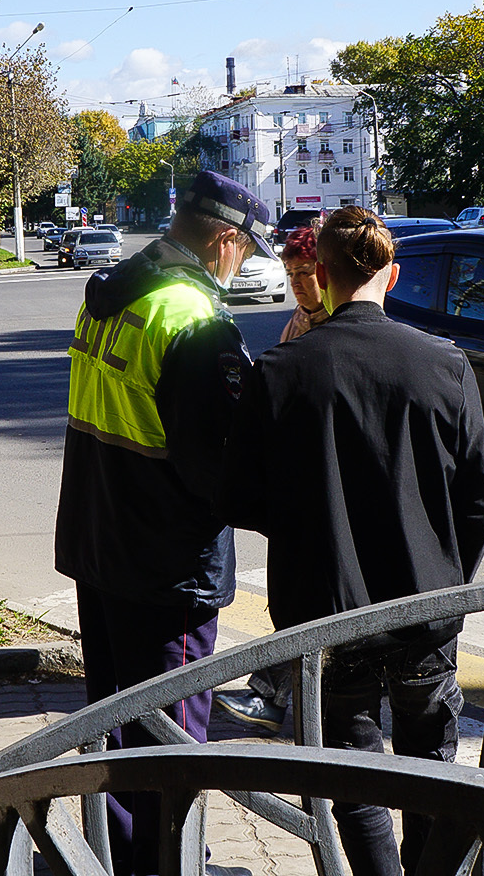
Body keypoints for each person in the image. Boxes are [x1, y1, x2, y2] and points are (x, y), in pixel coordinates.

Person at [218, 206, 484, 876]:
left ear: (320, 273)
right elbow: (479, 494)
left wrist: (307, 515)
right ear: (392, 276)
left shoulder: (280, 370)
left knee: (351, 775)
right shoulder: (446, 366)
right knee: (431, 766)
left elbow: (236, 496)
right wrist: (445, 572)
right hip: (424, 612)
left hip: (324, 612)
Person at [54, 169, 275, 876]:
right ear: (222, 239)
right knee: (174, 726)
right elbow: (218, 462)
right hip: (167, 560)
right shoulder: (196, 319)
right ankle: (172, 862)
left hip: (100, 540)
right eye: (245, 247)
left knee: (117, 717)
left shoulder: (114, 291)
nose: (244, 262)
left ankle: (124, 855)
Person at [212, 221, 325, 732]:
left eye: (307, 273)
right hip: (297, 486)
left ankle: (286, 701)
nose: (299, 284)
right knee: (297, 601)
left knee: (310, 603)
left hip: (322, 490)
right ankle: (287, 698)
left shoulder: (333, 324)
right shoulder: (300, 320)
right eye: (291, 273)